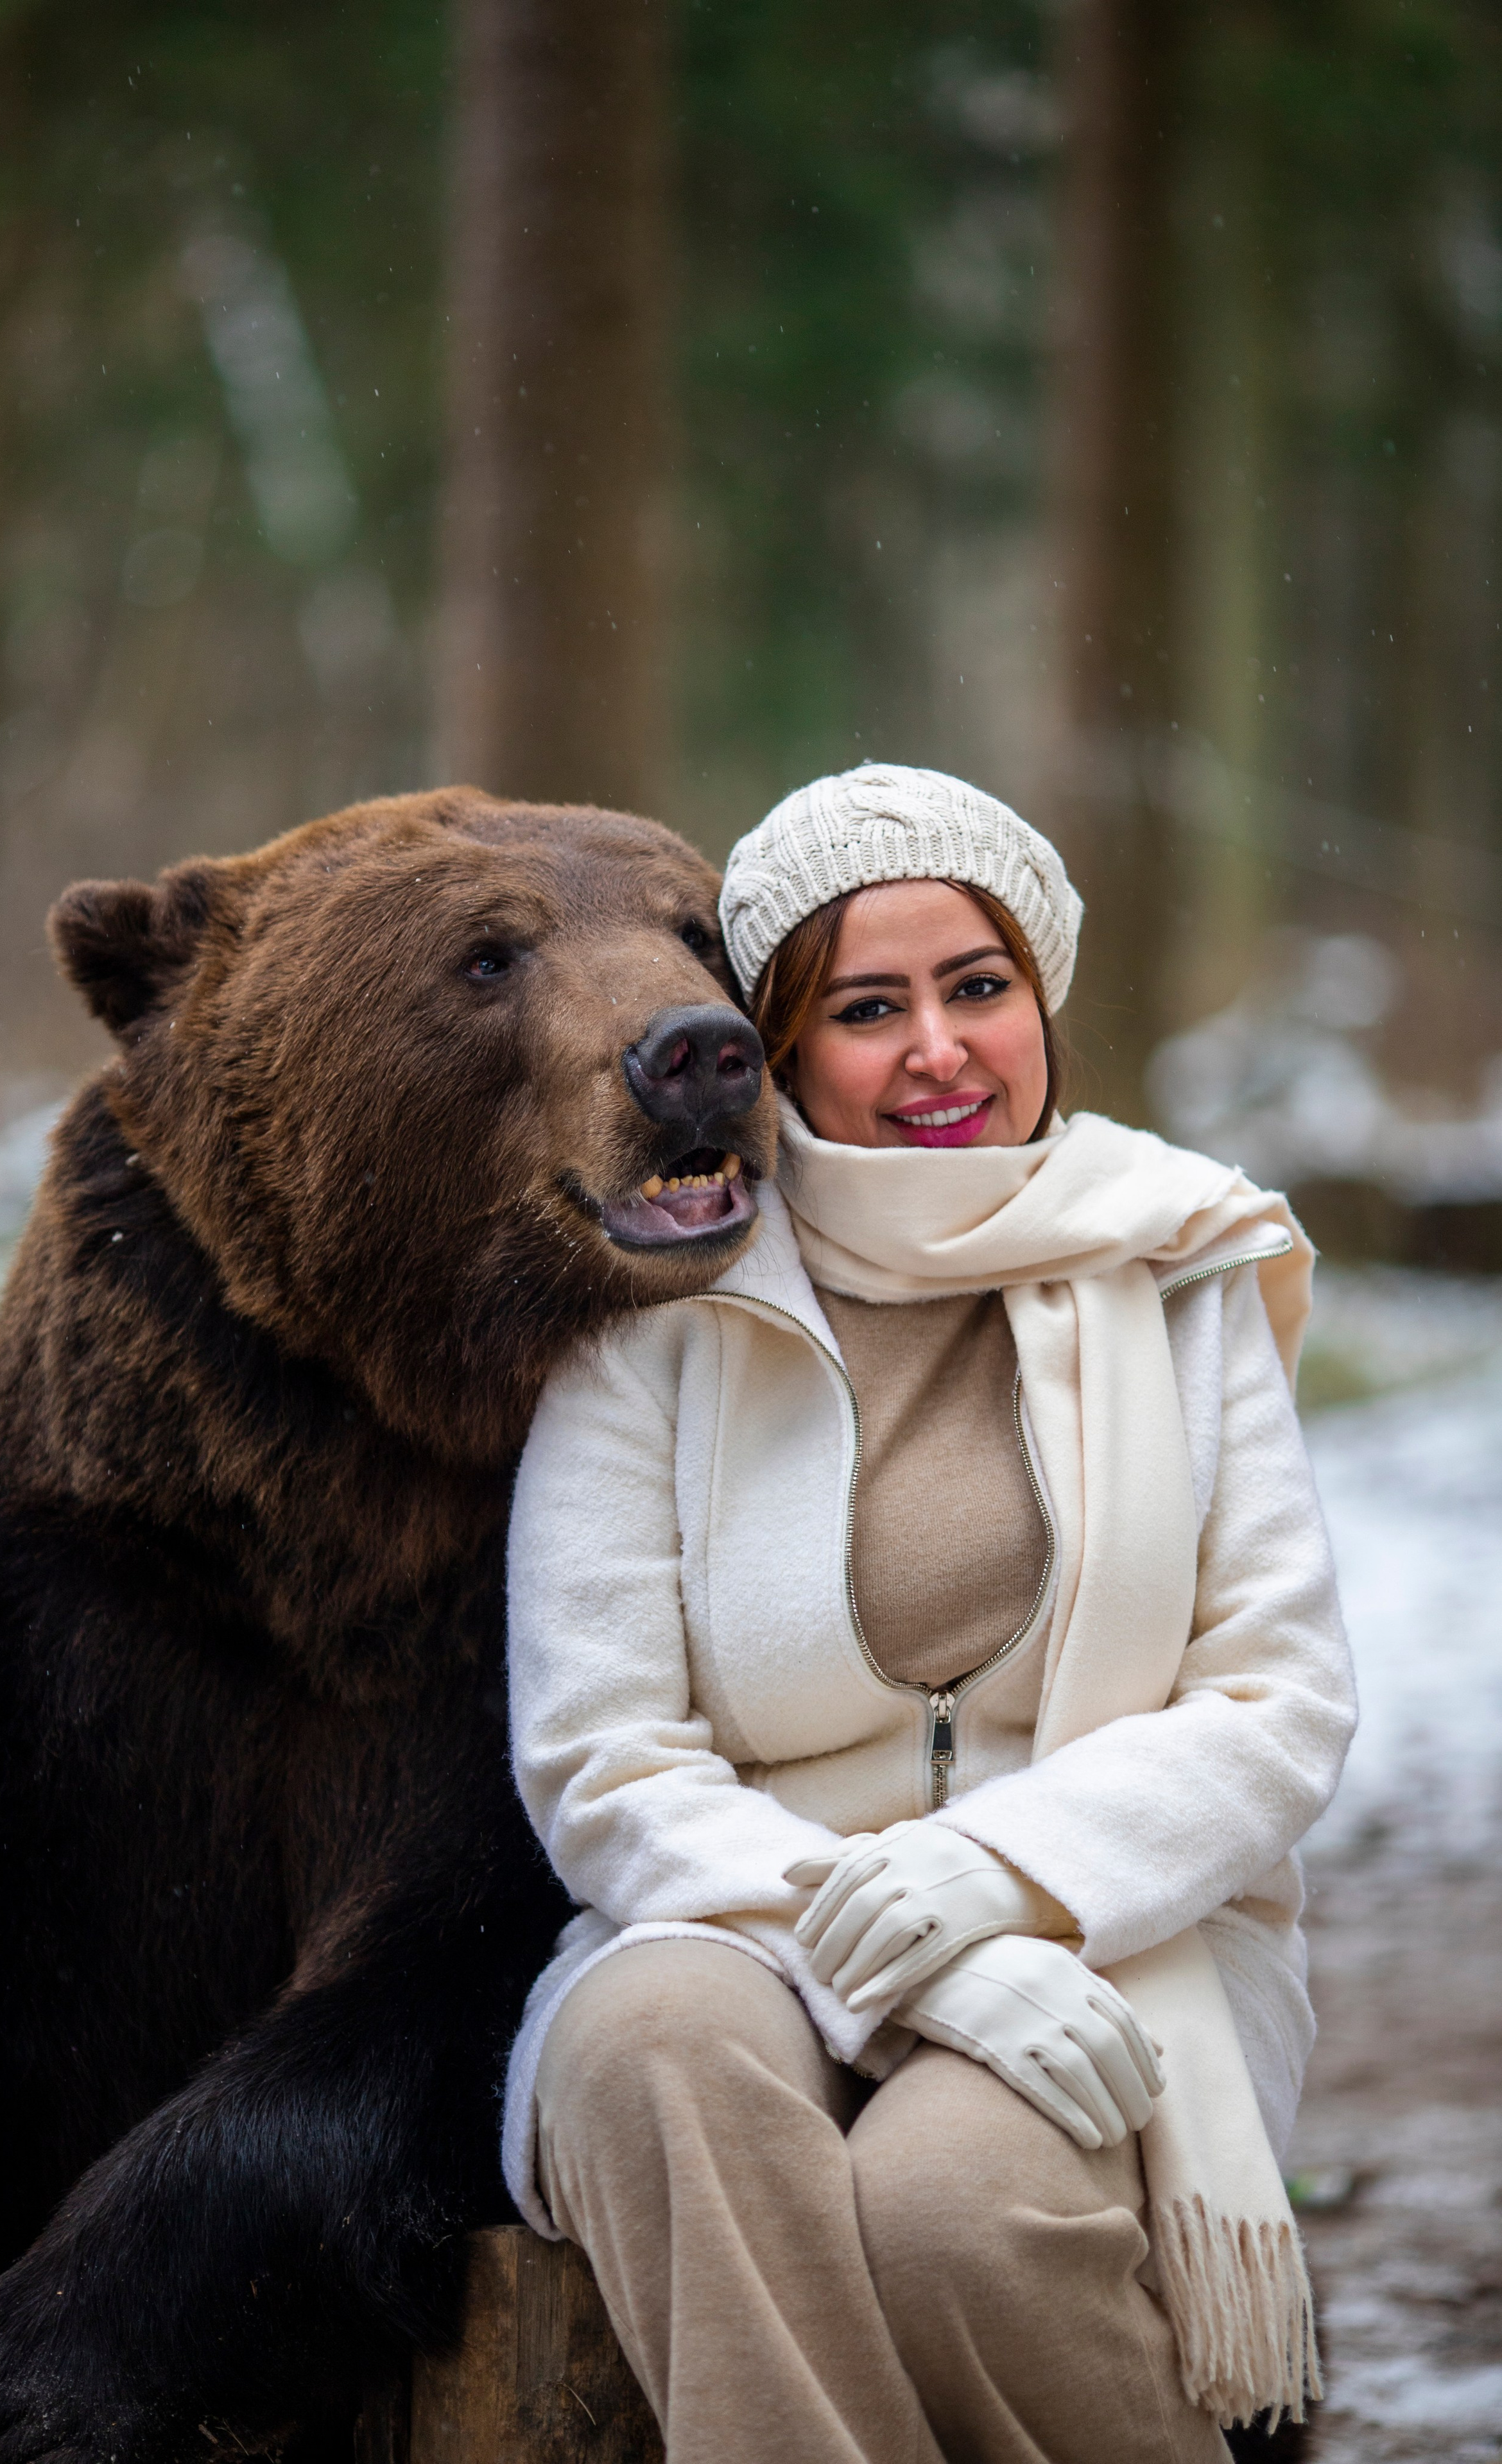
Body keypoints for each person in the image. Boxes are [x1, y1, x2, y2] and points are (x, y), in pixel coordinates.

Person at [501, 764, 1355, 2464]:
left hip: (1122, 1922)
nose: (940, 1052)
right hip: (736, 1915)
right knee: (650, 2056)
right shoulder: (662, 1300)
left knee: (953, 2207)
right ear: (781, 1050)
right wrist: (904, 1952)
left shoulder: (1176, 1260)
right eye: (867, 1009)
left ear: (1042, 996)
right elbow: (603, 1755)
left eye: (978, 987)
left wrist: (996, 1882)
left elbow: (1276, 1700)